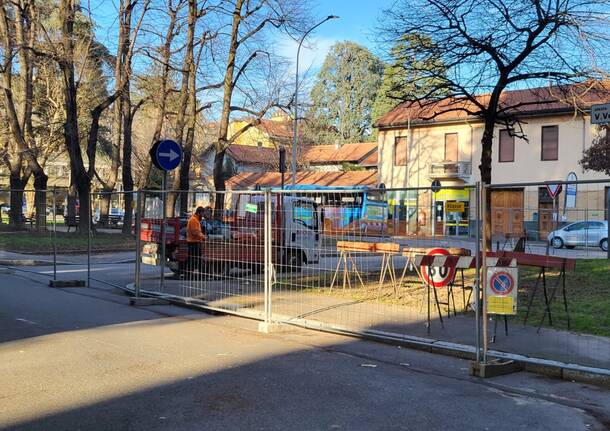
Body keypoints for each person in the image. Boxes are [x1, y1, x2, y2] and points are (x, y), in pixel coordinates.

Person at [186, 206, 205, 278]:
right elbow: (196, 232)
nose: (203, 216)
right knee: (196, 259)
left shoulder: (195, 219)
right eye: (202, 214)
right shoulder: (194, 220)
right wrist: (204, 237)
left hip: (194, 242)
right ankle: (199, 275)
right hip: (194, 242)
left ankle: (190, 274)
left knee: (193, 259)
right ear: (199, 213)